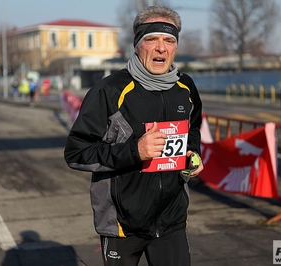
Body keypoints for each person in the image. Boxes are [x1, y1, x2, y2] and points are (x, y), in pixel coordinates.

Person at [64, 6, 203, 266]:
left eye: (169, 40)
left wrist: (193, 153)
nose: (161, 48)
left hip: (171, 219)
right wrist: (134, 151)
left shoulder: (186, 87)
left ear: (175, 48)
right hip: (122, 224)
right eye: (152, 39)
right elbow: (76, 152)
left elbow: (193, 128)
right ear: (137, 46)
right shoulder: (110, 90)